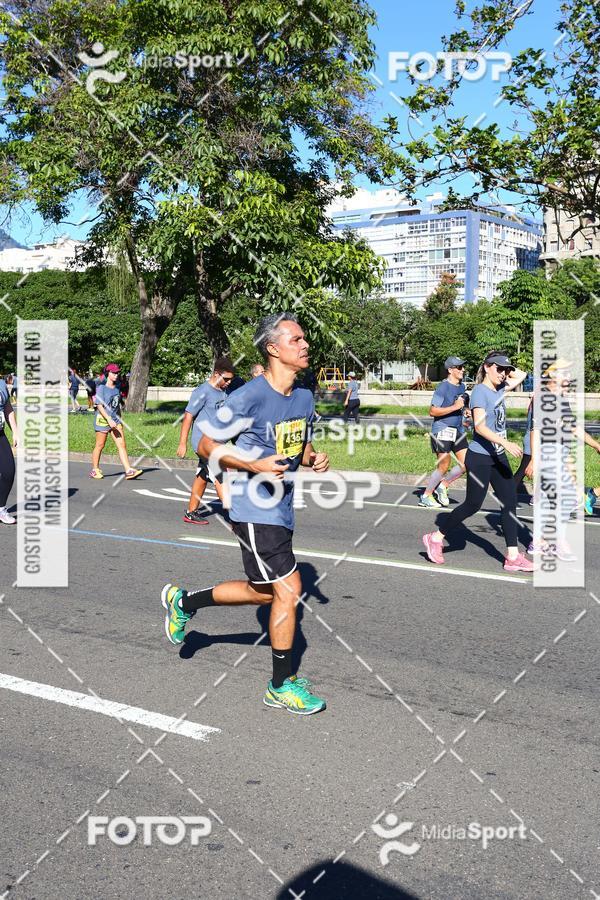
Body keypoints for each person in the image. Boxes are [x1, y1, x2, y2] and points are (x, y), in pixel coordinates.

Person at [162, 312, 329, 715]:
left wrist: (312, 458)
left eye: (304, 339)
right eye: (296, 340)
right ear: (273, 349)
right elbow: (206, 445)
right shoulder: (249, 396)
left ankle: (184, 602)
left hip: (282, 507)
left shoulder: (304, 396)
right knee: (288, 591)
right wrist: (252, 465)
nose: (305, 345)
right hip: (254, 508)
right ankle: (281, 685)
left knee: (263, 591)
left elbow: (295, 445)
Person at [422, 352, 534, 572]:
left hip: (498, 456)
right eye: (499, 369)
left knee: (509, 502)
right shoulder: (479, 393)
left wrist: (506, 367)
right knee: (473, 504)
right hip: (480, 457)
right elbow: (480, 428)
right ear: (487, 367)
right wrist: (506, 442)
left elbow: (522, 375)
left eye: (505, 370)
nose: (504, 374)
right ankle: (435, 537)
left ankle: (512, 556)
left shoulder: (499, 388)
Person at [177, 357, 234, 525]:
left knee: (203, 475)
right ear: (216, 374)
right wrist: (182, 443)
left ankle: (191, 512)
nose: (229, 382)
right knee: (220, 475)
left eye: (231, 379)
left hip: (217, 442)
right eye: (226, 379)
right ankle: (235, 517)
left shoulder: (223, 390)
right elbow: (188, 416)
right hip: (203, 443)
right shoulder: (202, 391)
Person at [419, 356, 471, 508]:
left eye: (463, 367)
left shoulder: (462, 387)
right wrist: (455, 407)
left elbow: (462, 405)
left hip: (458, 429)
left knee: (466, 463)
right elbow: (432, 411)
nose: (463, 370)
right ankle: (426, 496)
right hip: (442, 429)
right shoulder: (443, 387)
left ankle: (444, 485)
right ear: (450, 370)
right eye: (459, 368)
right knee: (444, 465)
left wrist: (466, 411)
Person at [89, 363, 143, 480]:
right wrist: (109, 420)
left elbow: (116, 405)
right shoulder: (102, 388)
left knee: (122, 445)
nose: (116, 375)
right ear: (107, 373)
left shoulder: (117, 387)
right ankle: (95, 469)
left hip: (115, 421)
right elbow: (99, 405)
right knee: (100, 445)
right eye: (113, 372)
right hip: (102, 421)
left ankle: (128, 470)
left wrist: (119, 419)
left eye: (117, 372)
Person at [0, 377, 18, 524]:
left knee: (8, 471)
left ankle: (0, 509)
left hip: (0, 435)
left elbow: (7, 407)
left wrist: (15, 431)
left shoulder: (1, 384)